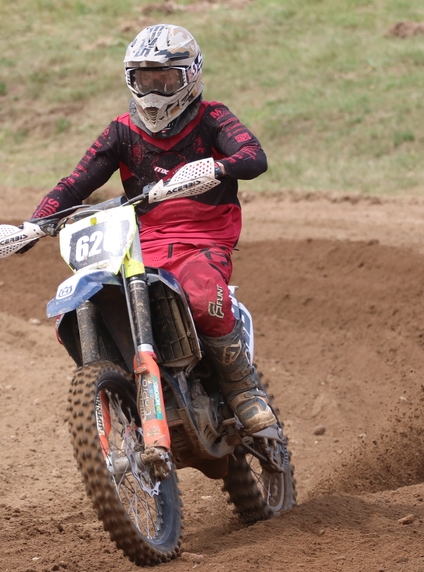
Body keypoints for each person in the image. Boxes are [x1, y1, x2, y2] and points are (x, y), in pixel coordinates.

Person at [29, 24, 275, 434]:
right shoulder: (122, 131)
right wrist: (33, 224)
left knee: (203, 298)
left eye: (166, 80)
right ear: (131, 79)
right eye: (146, 80)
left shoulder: (213, 118)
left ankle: (243, 390)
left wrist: (216, 168)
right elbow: (74, 184)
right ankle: (123, 388)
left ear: (190, 75)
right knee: (96, 299)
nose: (156, 91)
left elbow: (254, 156)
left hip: (203, 240)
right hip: (140, 244)